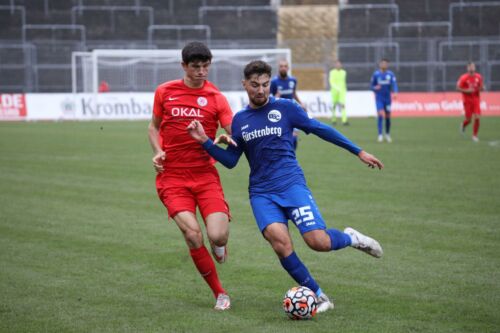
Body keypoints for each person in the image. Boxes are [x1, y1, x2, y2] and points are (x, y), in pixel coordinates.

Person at [187, 60, 384, 313]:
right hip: (261, 193)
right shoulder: (239, 121)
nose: (261, 90)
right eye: (255, 85)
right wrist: (205, 140)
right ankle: (320, 296)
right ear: (245, 85)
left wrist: (358, 151)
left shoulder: (287, 108)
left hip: (291, 185)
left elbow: (321, 129)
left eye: (266, 85)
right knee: (280, 244)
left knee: (318, 241)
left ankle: (352, 238)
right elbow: (231, 161)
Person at [148, 41, 233, 310]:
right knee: (194, 235)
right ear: (184, 66)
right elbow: (153, 127)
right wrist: (158, 151)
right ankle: (220, 293)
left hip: (205, 175)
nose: (201, 71)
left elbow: (232, 132)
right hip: (172, 177)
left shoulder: (216, 97)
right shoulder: (165, 91)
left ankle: (219, 246)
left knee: (217, 236)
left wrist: (225, 137)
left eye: (206, 66)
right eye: (195, 67)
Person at [270, 59, 305, 150]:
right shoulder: (274, 82)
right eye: (281, 66)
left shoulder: (293, 80)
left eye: (285, 66)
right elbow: (270, 98)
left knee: (294, 138)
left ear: (288, 68)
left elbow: (293, 93)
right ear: (278, 68)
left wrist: (301, 103)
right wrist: (276, 97)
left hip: (292, 111)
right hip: (280, 113)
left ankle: (291, 156)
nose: (283, 68)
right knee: (282, 138)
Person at [371, 59, 398, 143]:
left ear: (387, 65)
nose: (384, 65)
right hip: (379, 98)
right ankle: (380, 135)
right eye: (382, 63)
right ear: (380, 64)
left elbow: (394, 84)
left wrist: (395, 92)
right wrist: (375, 88)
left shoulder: (390, 74)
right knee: (380, 114)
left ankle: (387, 134)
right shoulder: (376, 74)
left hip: (387, 99)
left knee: (388, 117)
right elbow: (371, 86)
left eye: (385, 64)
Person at [457, 61, 484, 142]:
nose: (471, 68)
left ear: (475, 67)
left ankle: (474, 136)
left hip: (476, 99)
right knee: (468, 119)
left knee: (477, 117)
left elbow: (481, 87)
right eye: (470, 67)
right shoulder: (463, 78)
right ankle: (463, 125)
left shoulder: (479, 77)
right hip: (467, 100)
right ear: (467, 68)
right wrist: (467, 90)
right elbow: (458, 88)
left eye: (473, 66)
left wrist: (482, 88)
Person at [329, 60, 348, 125]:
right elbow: (331, 82)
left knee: (343, 105)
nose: (338, 65)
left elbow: (343, 82)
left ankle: (344, 120)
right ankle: (333, 120)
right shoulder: (332, 72)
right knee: (334, 105)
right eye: (337, 64)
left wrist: (344, 89)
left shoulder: (344, 72)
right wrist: (336, 88)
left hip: (342, 91)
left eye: (339, 64)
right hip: (334, 91)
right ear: (335, 65)